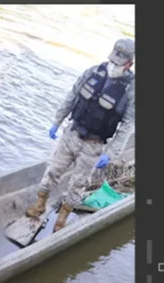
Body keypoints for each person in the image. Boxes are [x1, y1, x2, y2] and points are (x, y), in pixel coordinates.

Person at [25, 38, 136, 232]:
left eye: (119, 63)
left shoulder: (131, 91)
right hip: (71, 134)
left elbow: (127, 126)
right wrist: (56, 121)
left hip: (93, 145)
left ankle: (61, 222)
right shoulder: (93, 72)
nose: (114, 65)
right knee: (52, 171)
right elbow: (72, 96)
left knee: (78, 185)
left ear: (129, 64)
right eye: (113, 59)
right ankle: (39, 205)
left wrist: (109, 154)